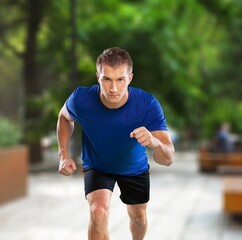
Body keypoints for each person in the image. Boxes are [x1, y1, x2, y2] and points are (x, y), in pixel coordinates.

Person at [56, 47, 175, 240]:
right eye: (107, 79)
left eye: (120, 80)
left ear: (130, 78)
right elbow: (64, 117)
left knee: (138, 219)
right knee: (98, 211)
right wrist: (63, 154)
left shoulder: (148, 105)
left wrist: (154, 142)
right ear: (98, 77)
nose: (113, 88)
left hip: (134, 168)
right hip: (97, 165)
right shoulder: (81, 99)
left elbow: (168, 158)